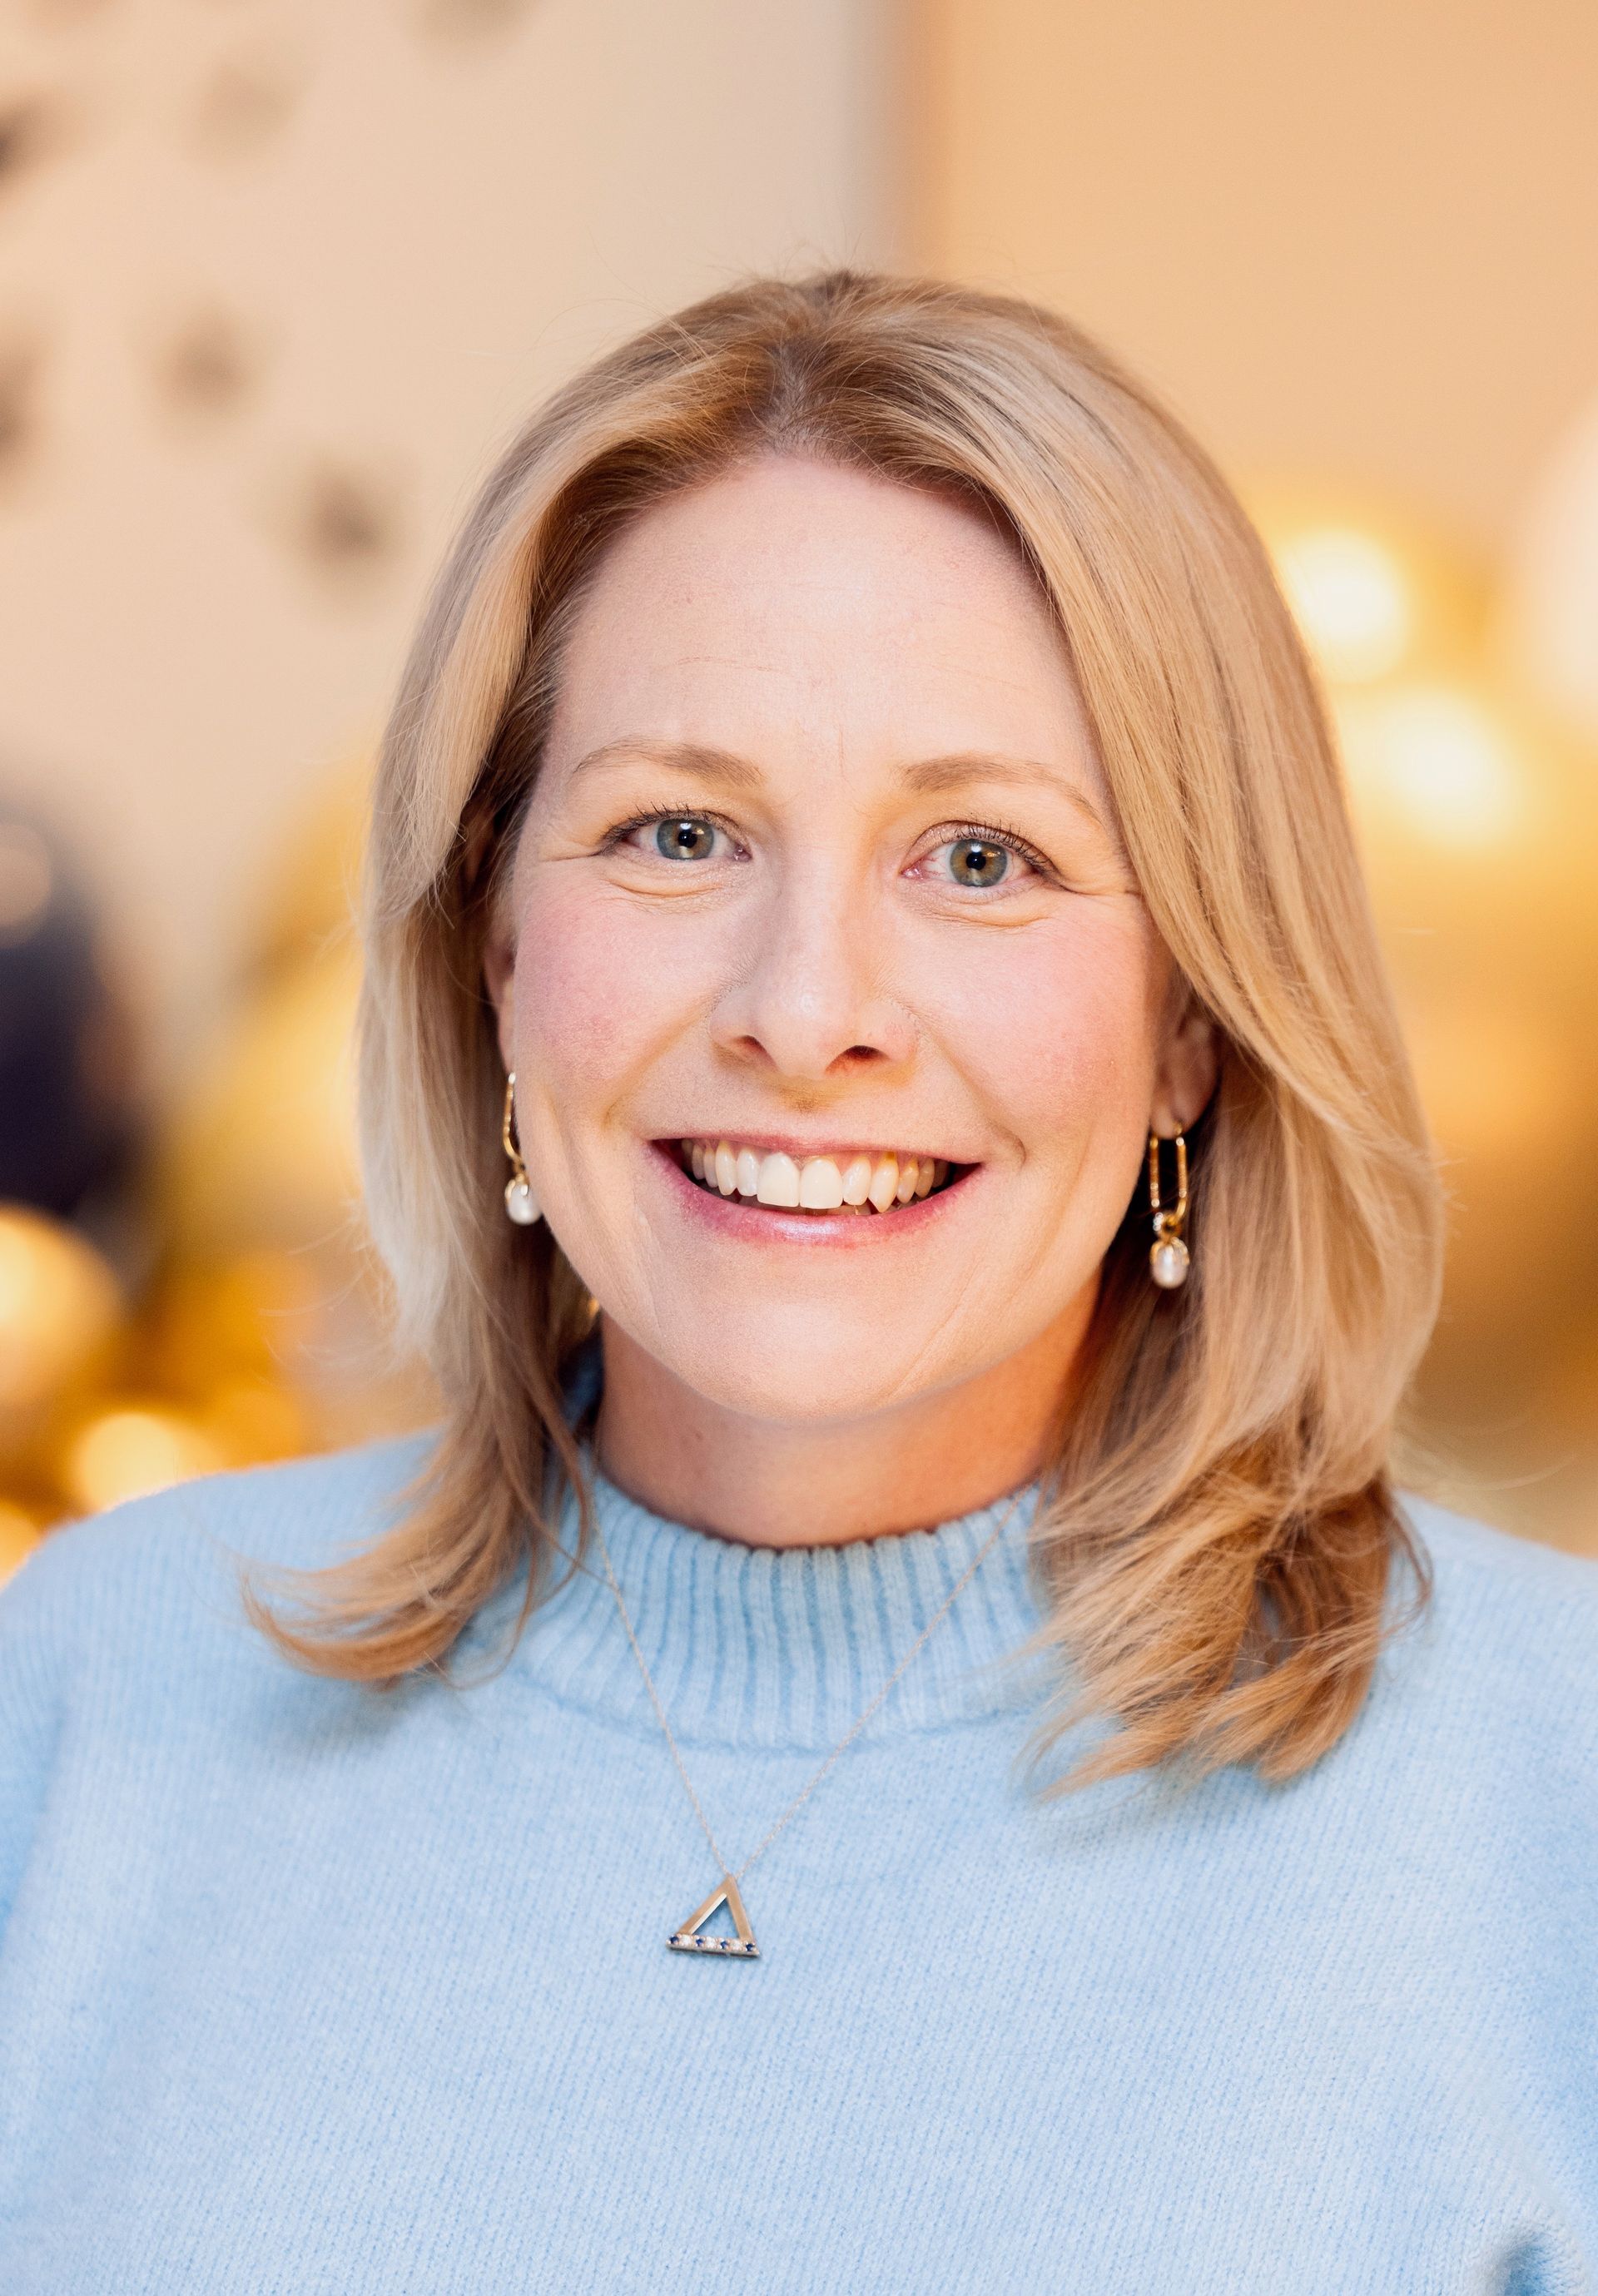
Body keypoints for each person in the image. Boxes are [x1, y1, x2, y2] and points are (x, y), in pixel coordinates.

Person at [2, 270, 1594, 2294]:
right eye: (679, 833)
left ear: (1194, 1012)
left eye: (982, 858)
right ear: (494, 948)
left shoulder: (1554, 1799)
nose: (808, 1008)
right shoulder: (89, 1699)